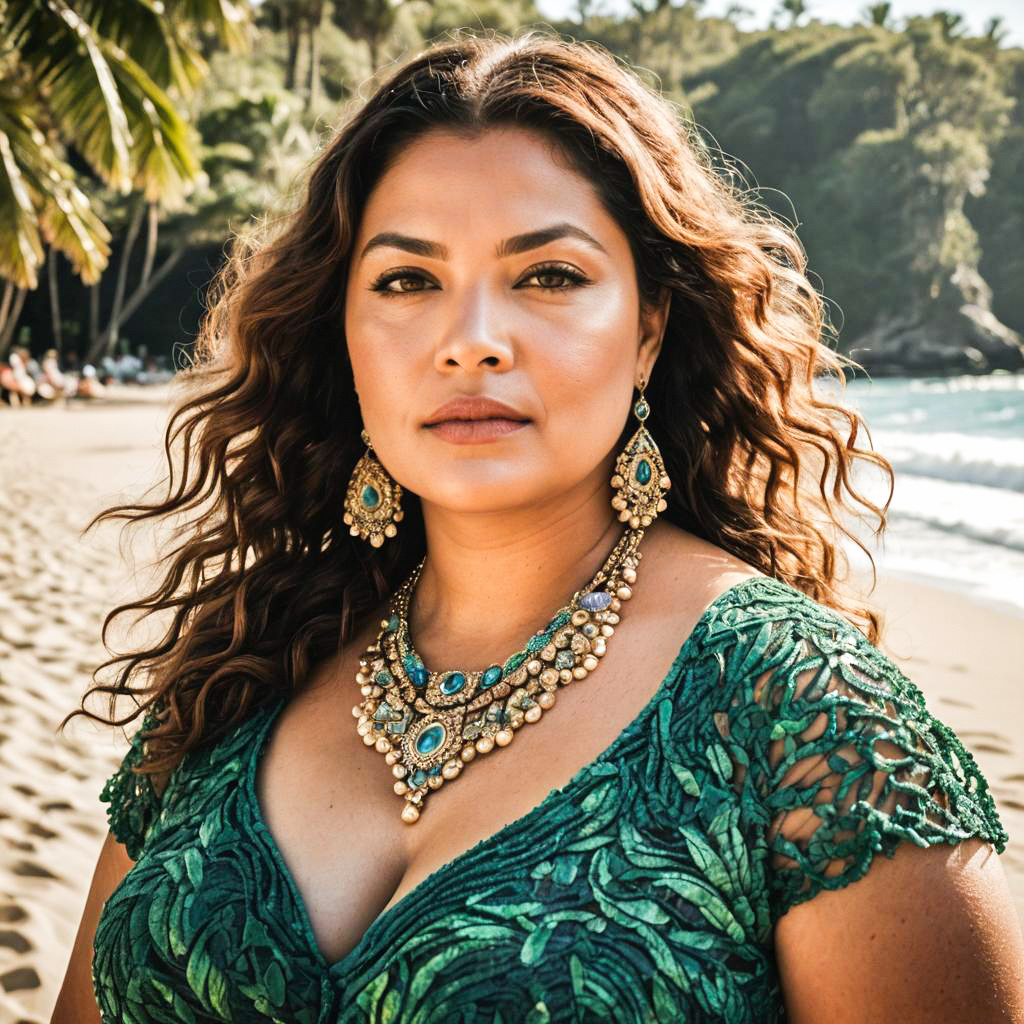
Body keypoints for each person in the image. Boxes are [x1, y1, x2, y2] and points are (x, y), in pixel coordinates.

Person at [54, 29, 1023, 1024]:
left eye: (549, 275)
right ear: (342, 330)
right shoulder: (245, 661)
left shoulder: (805, 718)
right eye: (406, 280)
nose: (470, 339)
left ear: (649, 327)